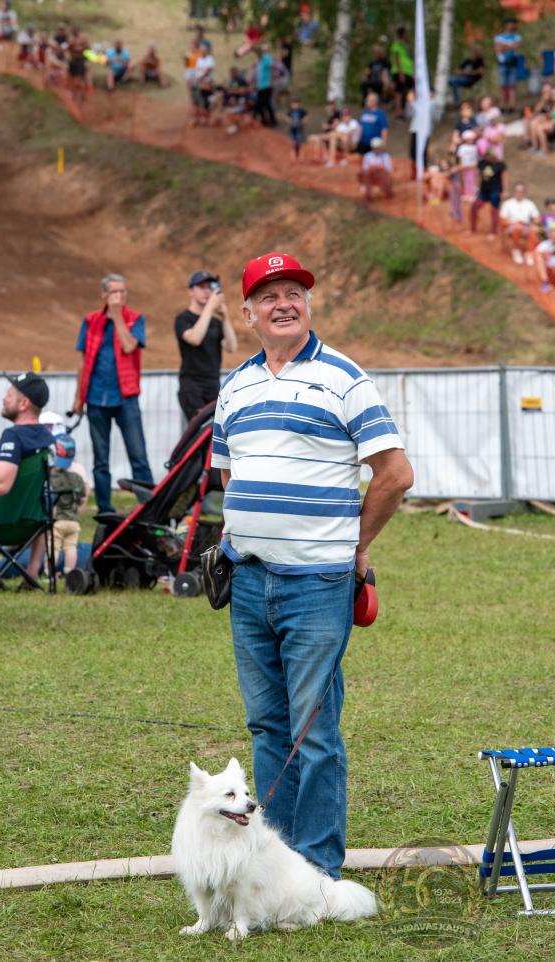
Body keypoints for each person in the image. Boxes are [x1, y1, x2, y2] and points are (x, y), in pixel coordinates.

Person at [211, 251, 413, 880]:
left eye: (294, 292)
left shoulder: (344, 378)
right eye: (269, 295)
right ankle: (275, 864)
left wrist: (355, 546)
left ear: (308, 304)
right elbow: (229, 473)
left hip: (317, 584)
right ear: (248, 313)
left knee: (313, 733)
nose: (284, 304)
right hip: (248, 580)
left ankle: (319, 871)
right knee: (267, 727)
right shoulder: (235, 386)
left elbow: (395, 474)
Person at [72, 274, 154, 514]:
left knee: (138, 454)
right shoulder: (90, 321)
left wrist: (117, 317)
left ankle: (149, 507)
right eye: (114, 292)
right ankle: (105, 508)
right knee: (101, 458)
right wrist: (78, 397)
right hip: (96, 398)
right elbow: (82, 361)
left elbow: (129, 346)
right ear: (104, 295)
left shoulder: (135, 319)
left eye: (122, 292)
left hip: (126, 397)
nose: (119, 296)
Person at [0, 372, 53, 588]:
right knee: (45, 502)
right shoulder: (45, 438)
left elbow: (1, 486)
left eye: (10, 395)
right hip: (34, 522)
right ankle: (32, 572)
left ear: (24, 404)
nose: (4, 399)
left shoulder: (13, 437)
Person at [175, 270, 237, 420]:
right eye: (202, 287)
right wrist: (210, 307)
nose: (207, 291)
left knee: (216, 430)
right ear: (191, 291)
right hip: (192, 386)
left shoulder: (215, 322)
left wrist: (225, 317)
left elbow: (231, 347)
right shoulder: (183, 319)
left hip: (213, 384)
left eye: (210, 287)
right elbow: (195, 339)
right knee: (201, 430)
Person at [50, 434, 86, 574]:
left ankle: (49, 572)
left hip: (58, 520)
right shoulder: (77, 478)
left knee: (53, 547)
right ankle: (69, 571)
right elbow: (82, 497)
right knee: (71, 547)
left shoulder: (51, 477)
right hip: (73, 521)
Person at [499, 182, 541, 265]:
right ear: (514, 192)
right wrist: (514, 223)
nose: (519, 193)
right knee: (517, 228)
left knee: (534, 230)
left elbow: (537, 218)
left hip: (526, 226)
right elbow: (502, 219)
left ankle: (529, 253)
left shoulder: (530, 204)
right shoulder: (507, 204)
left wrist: (534, 223)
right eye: (517, 191)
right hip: (511, 226)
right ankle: (516, 250)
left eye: (521, 191)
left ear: (524, 192)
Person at [469, 148, 507, 238]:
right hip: (484, 190)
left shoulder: (500, 165)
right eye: (487, 157)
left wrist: (505, 191)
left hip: (495, 190)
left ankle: (493, 232)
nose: (488, 159)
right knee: (474, 207)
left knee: (493, 210)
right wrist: (477, 188)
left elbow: (504, 178)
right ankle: (472, 229)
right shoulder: (482, 163)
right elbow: (478, 174)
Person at [494, 17, 521, 112]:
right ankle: (502, 106)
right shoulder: (499, 37)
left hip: (513, 63)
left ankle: (511, 106)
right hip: (503, 63)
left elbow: (516, 46)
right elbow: (499, 49)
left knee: (512, 86)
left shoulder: (517, 36)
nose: (513, 25)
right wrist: (510, 46)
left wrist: (505, 46)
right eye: (511, 23)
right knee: (502, 86)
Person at [390, 25, 414, 117]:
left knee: (408, 90)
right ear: (402, 34)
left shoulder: (405, 45)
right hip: (400, 72)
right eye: (406, 34)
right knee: (399, 91)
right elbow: (396, 59)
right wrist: (400, 73)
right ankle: (398, 111)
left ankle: (404, 109)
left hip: (408, 72)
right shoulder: (396, 45)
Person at [533, 222, 555, 293]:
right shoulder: (545, 244)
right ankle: (545, 282)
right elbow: (537, 254)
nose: (554, 236)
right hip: (549, 268)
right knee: (539, 259)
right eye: (552, 233)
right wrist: (547, 253)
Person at [254, 43, 276, 127]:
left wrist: (271, 82)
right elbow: (259, 73)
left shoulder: (267, 58)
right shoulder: (259, 60)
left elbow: (272, 69)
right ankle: (265, 120)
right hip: (260, 85)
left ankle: (271, 121)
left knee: (266, 103)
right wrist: (256, 84)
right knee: (261, 104)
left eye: (259, 52)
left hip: (266, 85)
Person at [286, 96, 307, 160]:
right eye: (293, 104)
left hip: (300, 129)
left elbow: (305, 118)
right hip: (293, 129)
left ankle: (301, 156)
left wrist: (301, 122)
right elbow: (287, 118)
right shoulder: (290, 111)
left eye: (296, 103)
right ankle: (294, 156)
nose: (294, 105)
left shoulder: (301, 111)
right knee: (293, 143)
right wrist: (291, 121)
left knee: (300, 143)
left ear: (298, 104)